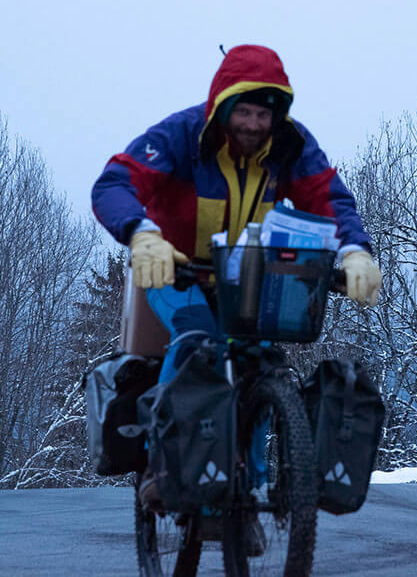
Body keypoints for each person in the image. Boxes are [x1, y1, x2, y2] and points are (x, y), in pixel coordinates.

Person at [90, 44, 382, 523]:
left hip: (248, 276)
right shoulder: (182, 136)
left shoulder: (290, 146)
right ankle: (162, 467)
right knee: (195, 342)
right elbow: (116, 182)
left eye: (262, 114)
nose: (251, 124)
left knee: (259, 365)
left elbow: (330, 198)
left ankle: (250, 491)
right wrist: (143, 236)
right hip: (176, 269)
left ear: (277, 115)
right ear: (222, 107)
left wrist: (354, 250)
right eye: (242, 111)